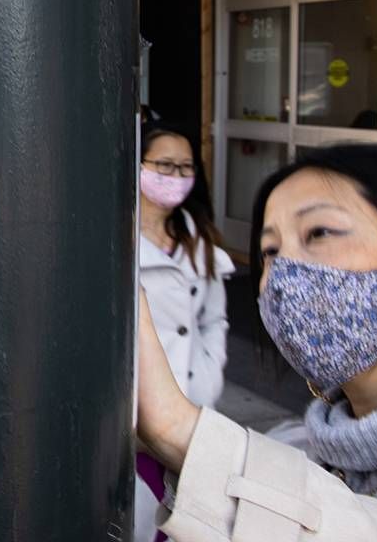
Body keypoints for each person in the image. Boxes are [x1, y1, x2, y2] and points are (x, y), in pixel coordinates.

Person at [137, 144, 377, 541]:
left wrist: (180, 432)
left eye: (319, 233)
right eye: (270, 251)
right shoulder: (289, 446)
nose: (282, 275)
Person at [135, 122, 232, 542]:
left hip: (194, 407)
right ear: (138, 165)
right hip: (136, 418)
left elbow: (213, 319)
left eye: (185, 168)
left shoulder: (199, 240)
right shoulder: (115, 236)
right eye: (164, 166)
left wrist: (209, 375)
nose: (175, 178)